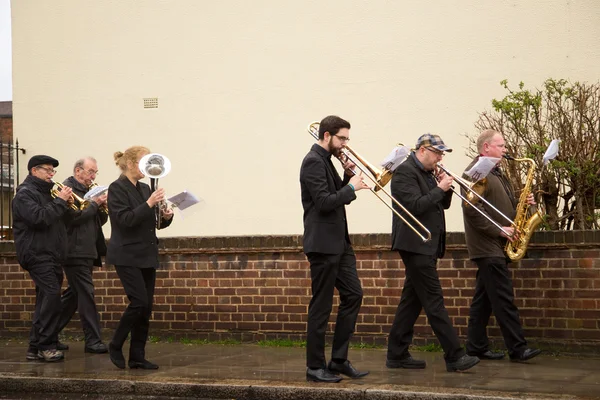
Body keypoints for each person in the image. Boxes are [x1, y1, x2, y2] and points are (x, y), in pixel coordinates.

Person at [386, 134, 479, 372]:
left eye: (442, 154)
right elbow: (415, 206)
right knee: (434, 301)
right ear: (423, 150)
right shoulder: (405, 172)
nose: (440, 158)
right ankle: (455, 355)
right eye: (437, 153)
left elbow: (440, 205)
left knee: (412, 301)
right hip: (415, 243)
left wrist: (444, 188)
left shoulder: (427, 173)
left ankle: (396, 354)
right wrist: (439, 188)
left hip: (427, 244)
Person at [300, 115, 370, 383]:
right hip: (323, 245)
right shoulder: (312, 161)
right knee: (321, 305)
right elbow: (323, 202)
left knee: (353, 295)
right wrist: (352, 187)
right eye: (342, 138)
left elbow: (337, 197)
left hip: (339, 244)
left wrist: (348, 175)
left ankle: (338, 360)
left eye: (347, 139)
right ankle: (314, 367)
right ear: (327, 136)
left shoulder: (327, 161)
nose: (345, 144)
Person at [462, 129, 541, 362]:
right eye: (501, 145)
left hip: (497, 245)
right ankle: (518, 348)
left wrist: (525, 203)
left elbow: (499, 205)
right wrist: (499, 229)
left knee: (484, 300)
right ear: (486, 148)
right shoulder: (476, 172)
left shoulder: (497, 172)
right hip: (487, 246)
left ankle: (475, 347)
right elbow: (472, 210)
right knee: (503, 298)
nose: (505, 149)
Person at [106, 146, 173, 370]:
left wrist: (165, 216)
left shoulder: (145, 188)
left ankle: (137, 356)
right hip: (126, 254)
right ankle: (115, 344)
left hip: (146, 253)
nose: (149, 167)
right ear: (133, 164)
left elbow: (152, 224)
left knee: (146, 308)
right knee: (138, 302)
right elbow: (125, 220)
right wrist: (149, 204)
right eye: (145, 162)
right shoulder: (116, 188)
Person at [13, 155, 72, 362]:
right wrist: (60, 201)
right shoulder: (24, 194)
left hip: (52, 254)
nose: (51, 174)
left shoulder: (49, 194)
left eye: (52, 171)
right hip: (36, 254)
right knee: (51, 296)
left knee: (44, 300)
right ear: (33, 170)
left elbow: (61, 220)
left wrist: (70, 204)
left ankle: (34, 347)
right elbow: (39, 218)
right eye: (47, 170)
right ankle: (47, 345)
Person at [55, 157, 109, 354]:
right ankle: (93, 341)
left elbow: (96, 221)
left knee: (73, 295)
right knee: (86, 293)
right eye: (90, 172)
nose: (93, 176)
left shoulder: (89, 191)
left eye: (95, 172)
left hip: (87, 249)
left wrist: (102, 207)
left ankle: (47, 335)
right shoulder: (67, 189)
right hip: (73, 250)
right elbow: (72, 218)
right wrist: (94, 204)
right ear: (78, 171)